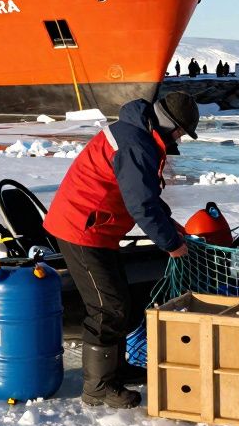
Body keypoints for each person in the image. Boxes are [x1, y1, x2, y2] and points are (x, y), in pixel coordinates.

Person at [42, 92, 200, 409]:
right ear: (170, 124)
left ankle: (114, 370)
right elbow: (140, 205)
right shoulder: (137, 143)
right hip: (82, 229)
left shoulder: (139, 133)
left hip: (100, 228)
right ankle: (98, 388)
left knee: (119, 302)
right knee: (108, 307)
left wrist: (171, 226)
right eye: (182, 132)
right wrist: (172, 244)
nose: (181, 138)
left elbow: (146, 195)